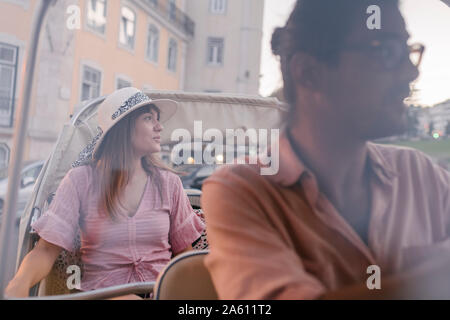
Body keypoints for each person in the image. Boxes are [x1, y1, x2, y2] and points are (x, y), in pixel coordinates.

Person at [201, 0, 450, 299]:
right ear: (309, 72)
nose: (411, 73)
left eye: (408, 51)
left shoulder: (421, 175)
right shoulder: (242, 191)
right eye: (386, 52)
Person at [5, 87, 205, 299]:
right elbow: (46, 250)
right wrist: (19, 283)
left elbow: (185, 255)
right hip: (104, 295)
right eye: (148, 118)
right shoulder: (80, 181)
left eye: (158, 119)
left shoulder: (169, 183)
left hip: (161, 292)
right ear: (124, 128)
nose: (159, 127)